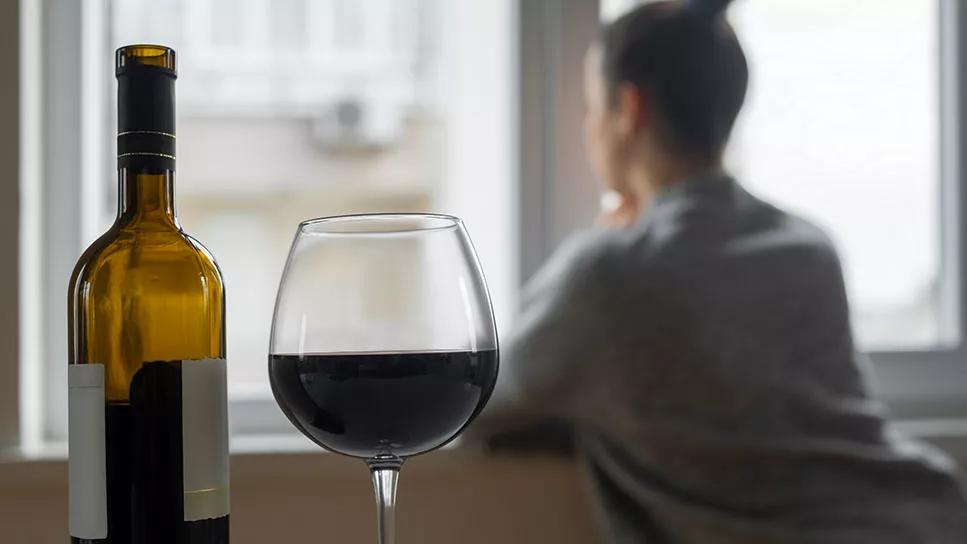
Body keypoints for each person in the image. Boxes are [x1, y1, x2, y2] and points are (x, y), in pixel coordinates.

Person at [483, 0, 967, 542]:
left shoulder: (611, 273)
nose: (588, 128)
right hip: (923, 517)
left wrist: (604, 239)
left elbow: (483, 406)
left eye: (592, 108)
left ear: (628, 109)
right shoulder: (807, 248)